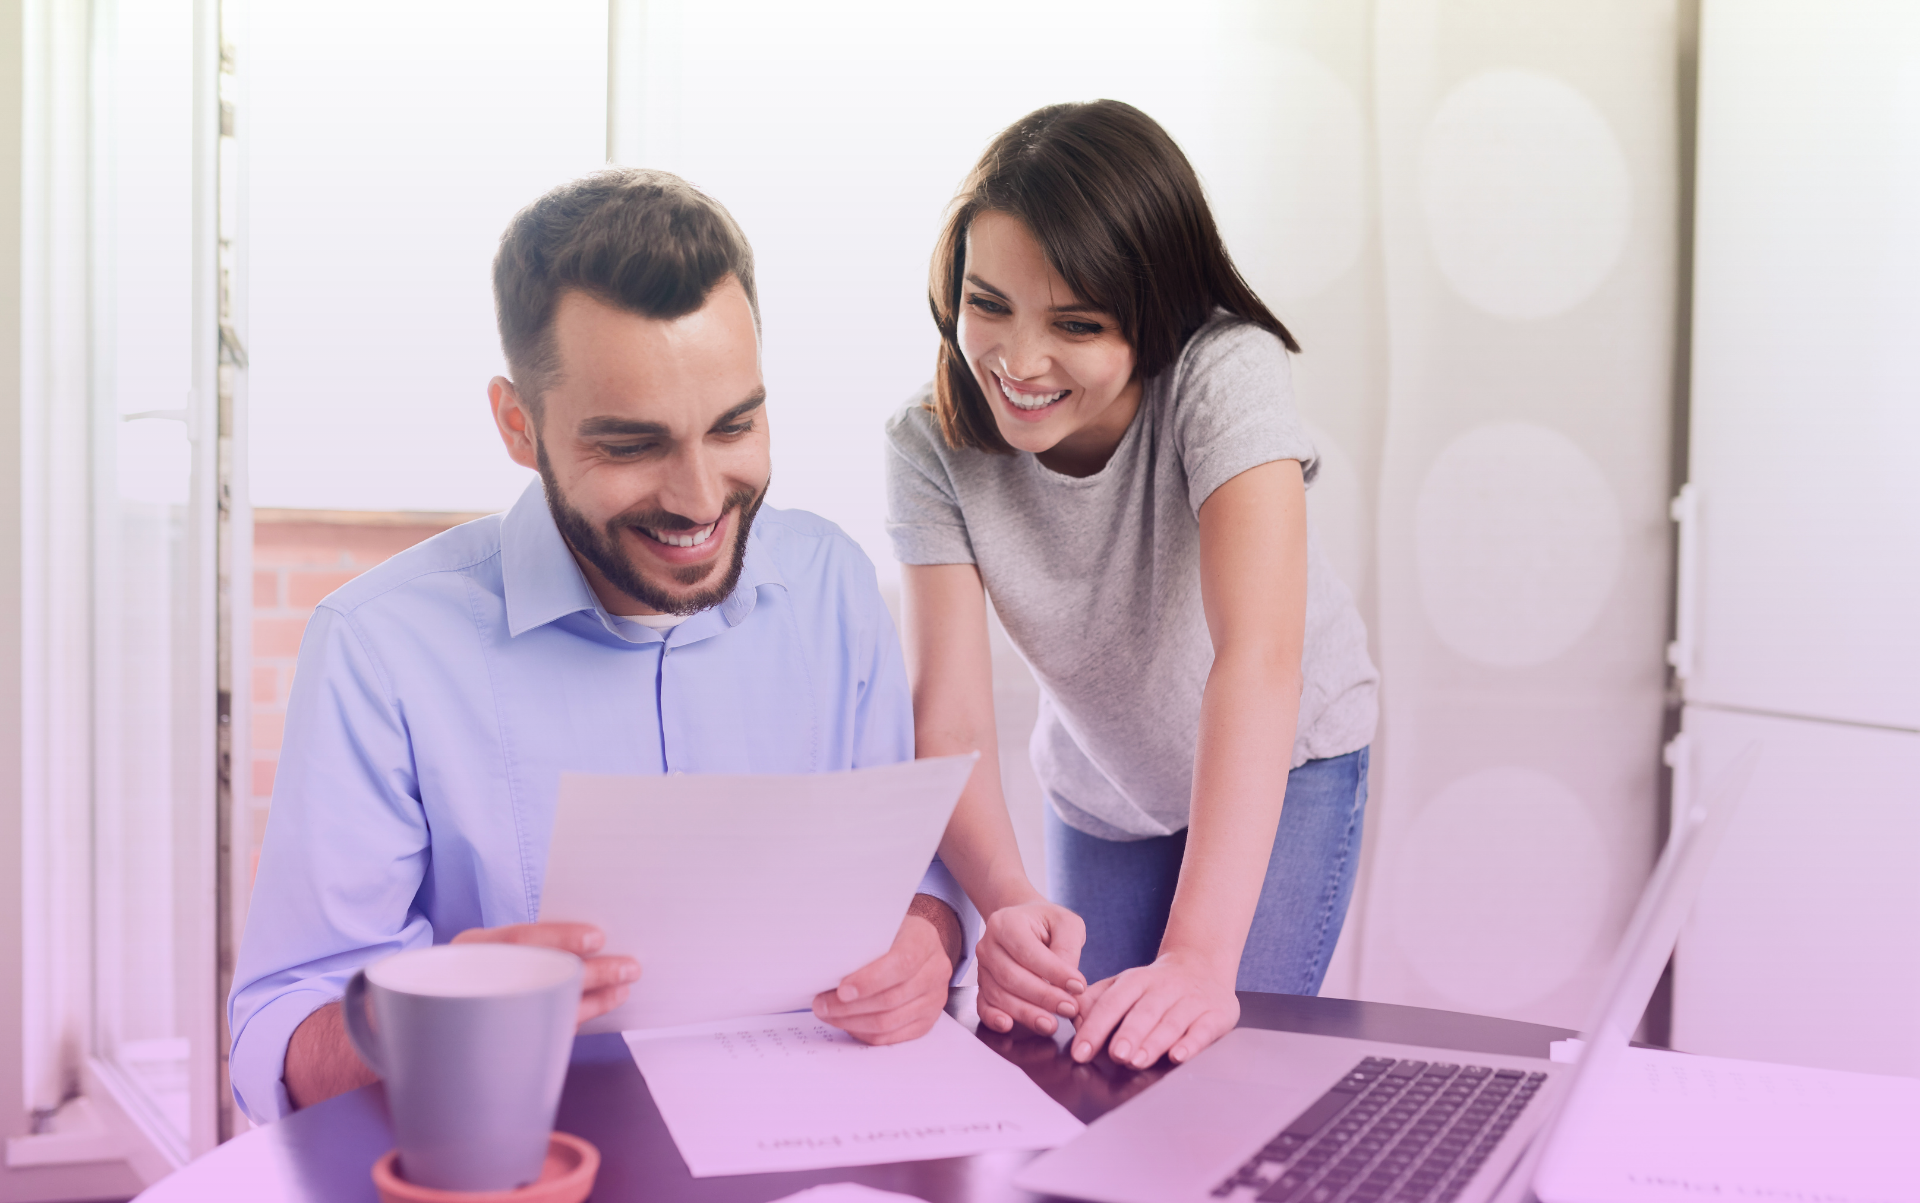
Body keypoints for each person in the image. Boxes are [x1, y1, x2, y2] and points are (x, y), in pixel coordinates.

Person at [228, 170, 966, 1122]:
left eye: (734, 425)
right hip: (525, 1183)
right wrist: (424, 1015)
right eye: (632, 445)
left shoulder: (833, 585)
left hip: (803, 1161)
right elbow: (279, 1039)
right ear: (518, 427)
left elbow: (913, 889)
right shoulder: (382, 649)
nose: (701, 498)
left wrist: (929, 941)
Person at [887, 100, 1378, 1073]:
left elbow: (1260, 655)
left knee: (1211, 1063)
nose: (1018, 362)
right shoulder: (929, 441)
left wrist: (1197, 957)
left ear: (1153, 313)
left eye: (1075, 323)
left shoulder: (1224, 372)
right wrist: (1009, 900)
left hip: (1286, 760)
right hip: (1103, 786)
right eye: (988, 304)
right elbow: (946, 714)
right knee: (1090, 1065)